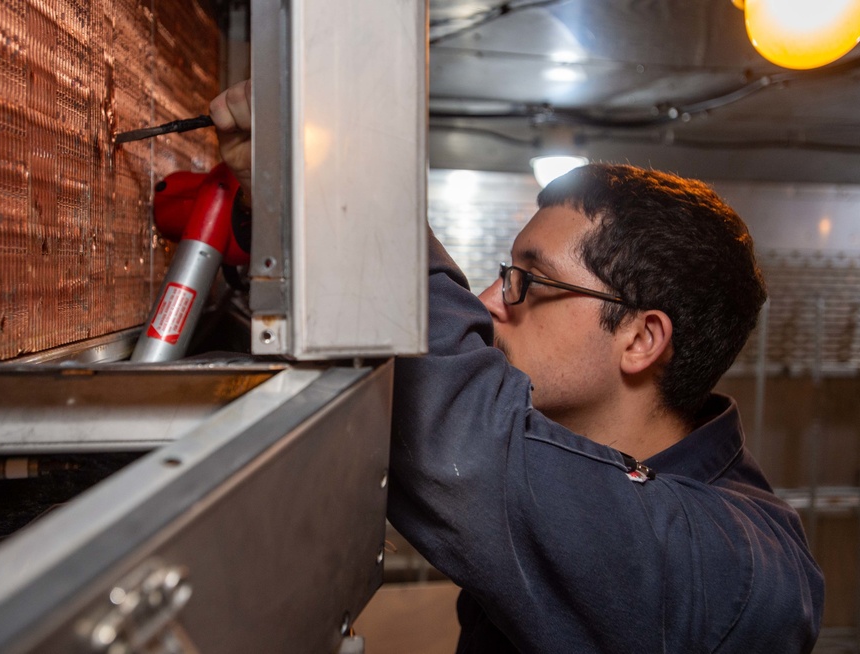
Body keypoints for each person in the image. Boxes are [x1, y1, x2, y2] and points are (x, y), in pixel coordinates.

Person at [210, 80, 824, 653]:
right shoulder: (590, 466)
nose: (486, 304)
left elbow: (465, 445)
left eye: (528, 282)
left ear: (641, 338)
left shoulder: (733, 574)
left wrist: (341, 189)